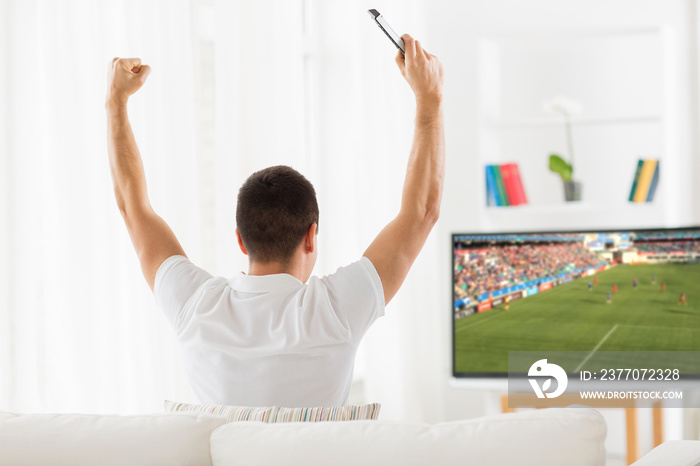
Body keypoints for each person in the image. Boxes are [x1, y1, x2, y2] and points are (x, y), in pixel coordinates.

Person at [105, 35, 444, 407]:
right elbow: (421, 213)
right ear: (311, 236)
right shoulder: (335, 311)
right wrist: (429, 101)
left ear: (240, 239)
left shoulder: (196, 306)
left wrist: (116, 102)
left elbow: (132, 207)